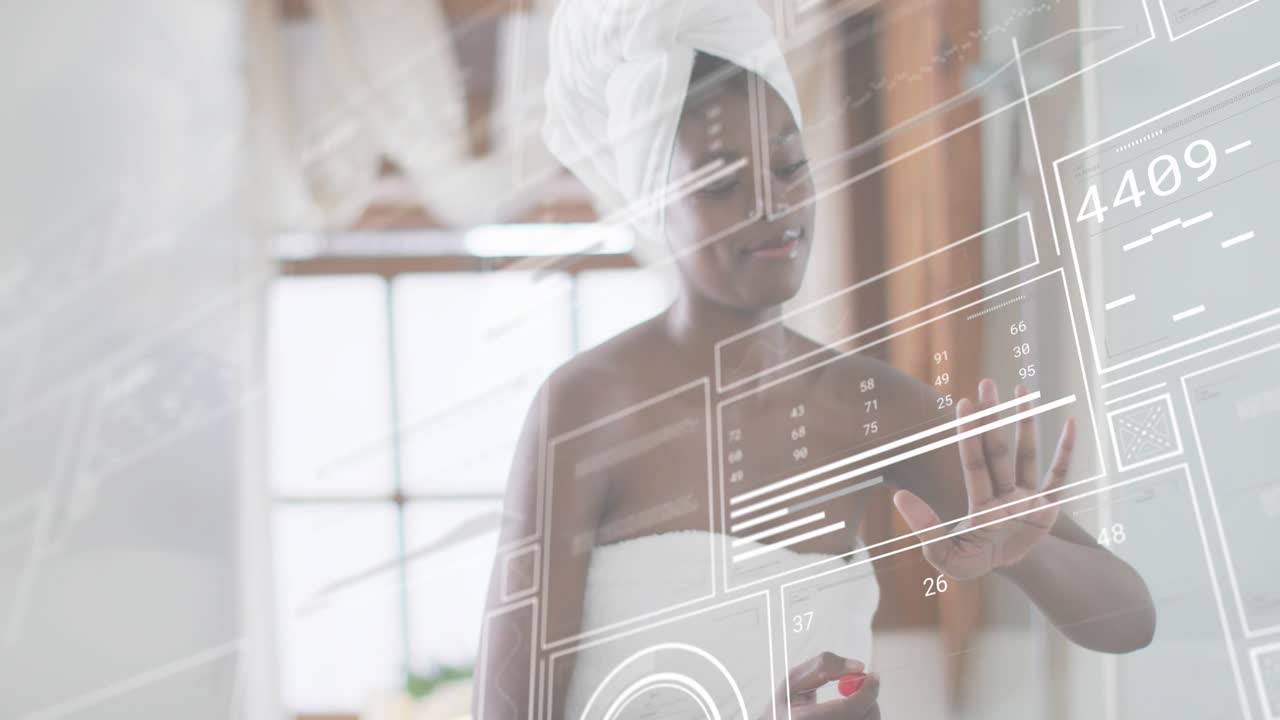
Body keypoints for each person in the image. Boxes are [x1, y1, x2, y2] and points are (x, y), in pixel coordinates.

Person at [480, 1, 1155, 717]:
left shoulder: (873, 405)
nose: (774, 205)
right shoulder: (586, 408)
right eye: (721, 183)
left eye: (791, 166)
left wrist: (1026, 553)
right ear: (654, 203)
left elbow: (1129, 623)